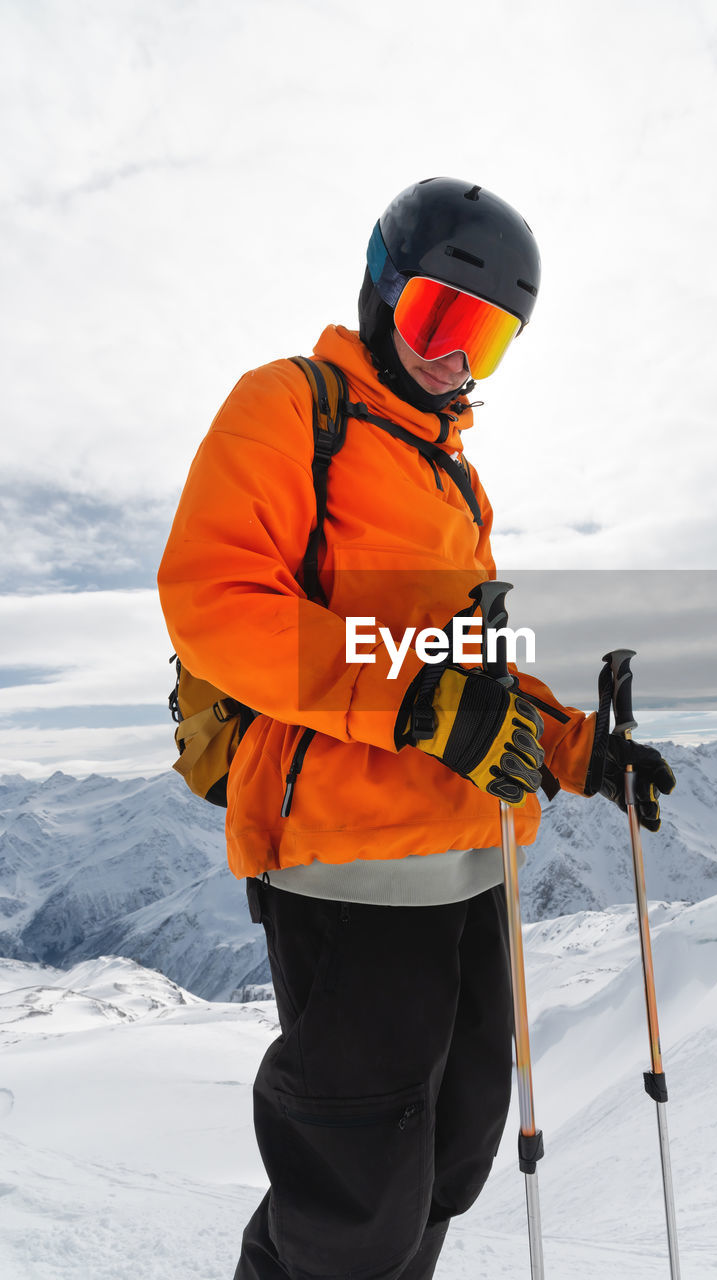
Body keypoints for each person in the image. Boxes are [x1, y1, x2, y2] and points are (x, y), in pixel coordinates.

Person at [157, 177, 675, 1280]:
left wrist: (585, 752)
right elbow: (216, 602)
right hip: (344, 873)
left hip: (471, 867)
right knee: (352, 1191)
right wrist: (410, 702)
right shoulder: (295, 405)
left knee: (450, 1154)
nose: (458, 360)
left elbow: (470, 673)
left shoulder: (456, 478)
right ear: (382, 289)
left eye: (488, 338)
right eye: (443, 319)